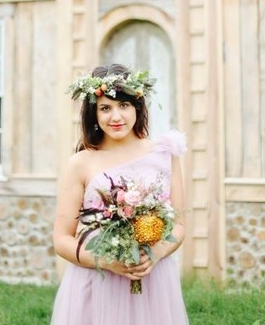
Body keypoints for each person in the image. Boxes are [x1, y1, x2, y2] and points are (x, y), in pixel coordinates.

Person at [50, 63, 189, 325]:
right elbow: (61, 240)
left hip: (152, 281)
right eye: (105, 108)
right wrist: (106, 261)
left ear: (137, 106)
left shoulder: (163, 155)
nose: (116, 117)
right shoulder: (81, 163)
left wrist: (155, 255)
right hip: (98, 280)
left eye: (123, 105)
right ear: (94, 113)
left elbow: (179, 226)